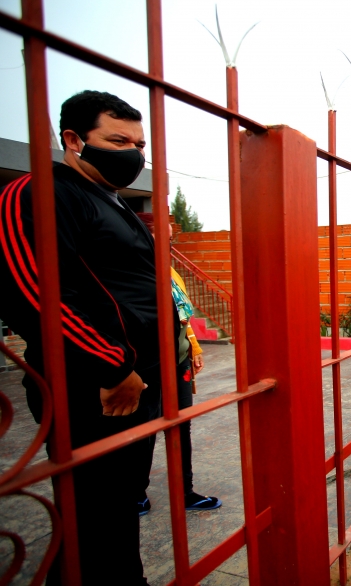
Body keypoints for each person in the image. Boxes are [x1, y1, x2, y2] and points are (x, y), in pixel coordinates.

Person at [0, 90, 172, 584]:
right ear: (74, 139)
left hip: (137, 383)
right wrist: (113, 365)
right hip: (93, 386)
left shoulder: (111, 204)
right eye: (117, 140)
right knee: (93, 511)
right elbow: (32, 291)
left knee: (115, 508)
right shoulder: (39, 193)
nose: (133, 154)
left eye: (139, 144)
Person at [135, 212, 222, 514]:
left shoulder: (172, 273)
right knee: (144, 429)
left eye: (172, 239)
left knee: (180, 426)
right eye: (163, 237)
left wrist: (193, 346)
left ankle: (185, 491)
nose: (169, 244)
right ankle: (136, 492)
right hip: (146, 366)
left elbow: (183, 314)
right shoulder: (133, 271)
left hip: (179, 361)